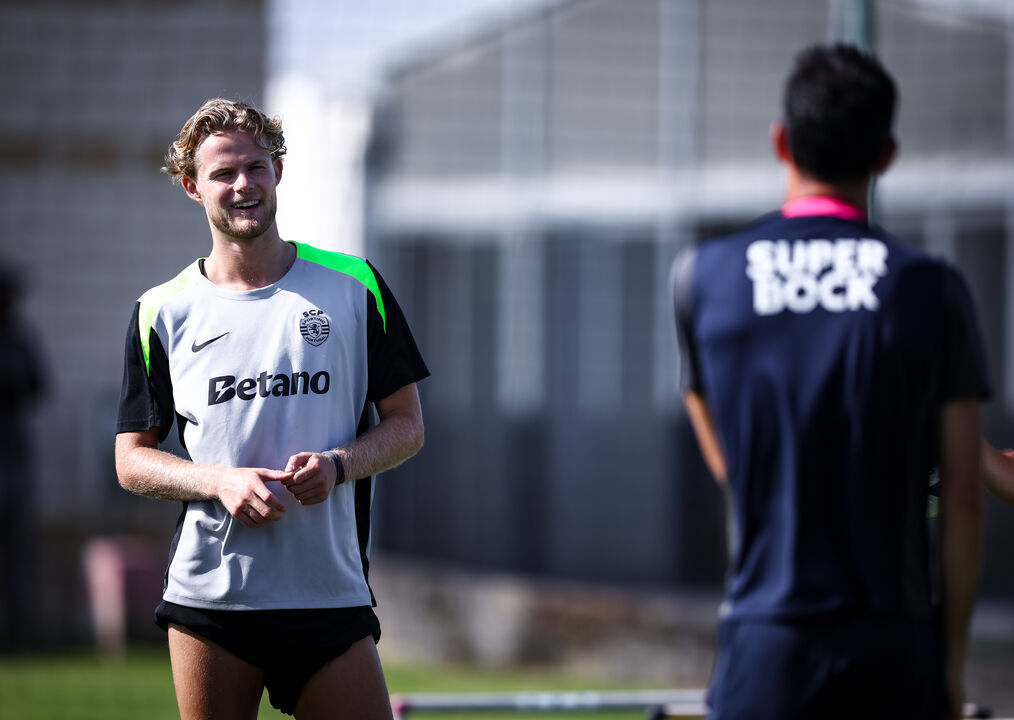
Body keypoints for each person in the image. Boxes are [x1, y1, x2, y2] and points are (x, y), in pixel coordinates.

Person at [670, 44, 988, 720]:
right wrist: (951, 662)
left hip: (766, 642)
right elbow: (961, 495)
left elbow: (729, 462)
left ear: (781, 141)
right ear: (887, 155)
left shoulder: (703, 279)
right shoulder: (932, 288)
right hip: (895, 644)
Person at [115, 98, 428, 719]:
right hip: (211, 602)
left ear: (277, 172)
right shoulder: (161, 311)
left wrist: (339, 465)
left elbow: (408, 425)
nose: (242, 185)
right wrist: (218, 482)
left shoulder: (354, 284)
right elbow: (131, 461)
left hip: (329, 597)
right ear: (191, 187)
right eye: (223, 173)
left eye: (256, 167)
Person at [0, 263, 47, 650]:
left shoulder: (19, 341)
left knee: (17, 551)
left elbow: (38, 386)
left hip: (13, 459)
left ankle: (20, 632)